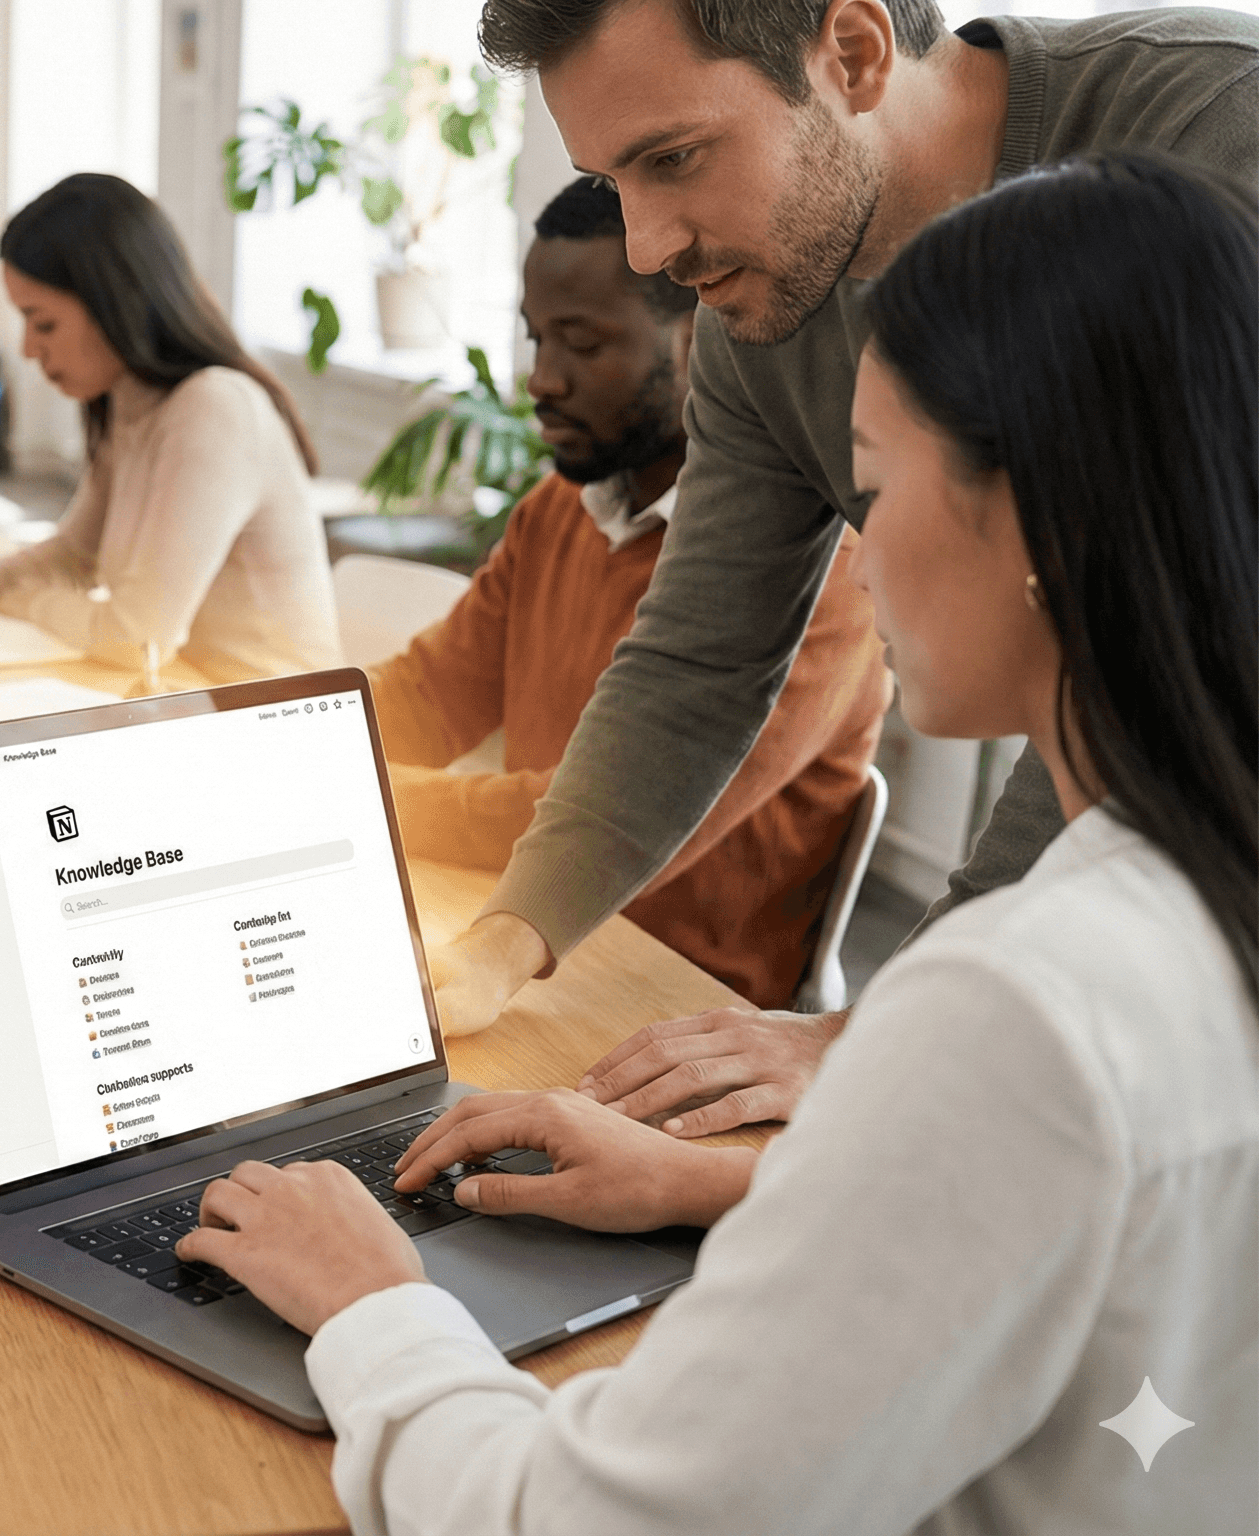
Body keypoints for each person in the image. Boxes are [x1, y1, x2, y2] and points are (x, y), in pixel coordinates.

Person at [182, 149, 1258, 1536]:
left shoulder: (1014, 1004)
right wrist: (707, 1183)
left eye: (870, 488)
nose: (855, 550)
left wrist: (374, 1302)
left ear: (1035, 511)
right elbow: (1056, 1219)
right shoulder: (1192, 897)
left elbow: (574, 1518)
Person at [434, 0, 1259, 1137]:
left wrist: (893, 1029)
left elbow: (1155, 675)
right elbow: (698, 659)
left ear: (854, 52)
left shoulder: (1220, 123)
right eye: (613, 179)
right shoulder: (753, 316)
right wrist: (504, 940)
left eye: (672, 158)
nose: (645, 250)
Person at [375, 176, 887, 1013]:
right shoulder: (559, 510)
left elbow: (581, 812)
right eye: (538, 340)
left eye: (581, 343)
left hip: (669, 1008)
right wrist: (285, 739)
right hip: (515, 939)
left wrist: (369, 796)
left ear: (702, 341)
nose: (542, 381)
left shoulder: (827, 575)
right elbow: (429, 693)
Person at [0, 173, 340, 685]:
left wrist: (19, 602)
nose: (28, 349)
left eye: (43, 323)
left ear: (117, 305)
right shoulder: (129, 402)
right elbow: (74, 557)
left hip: (278, 732)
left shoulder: (214, 409)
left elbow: (138, 639)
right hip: (190, 701)